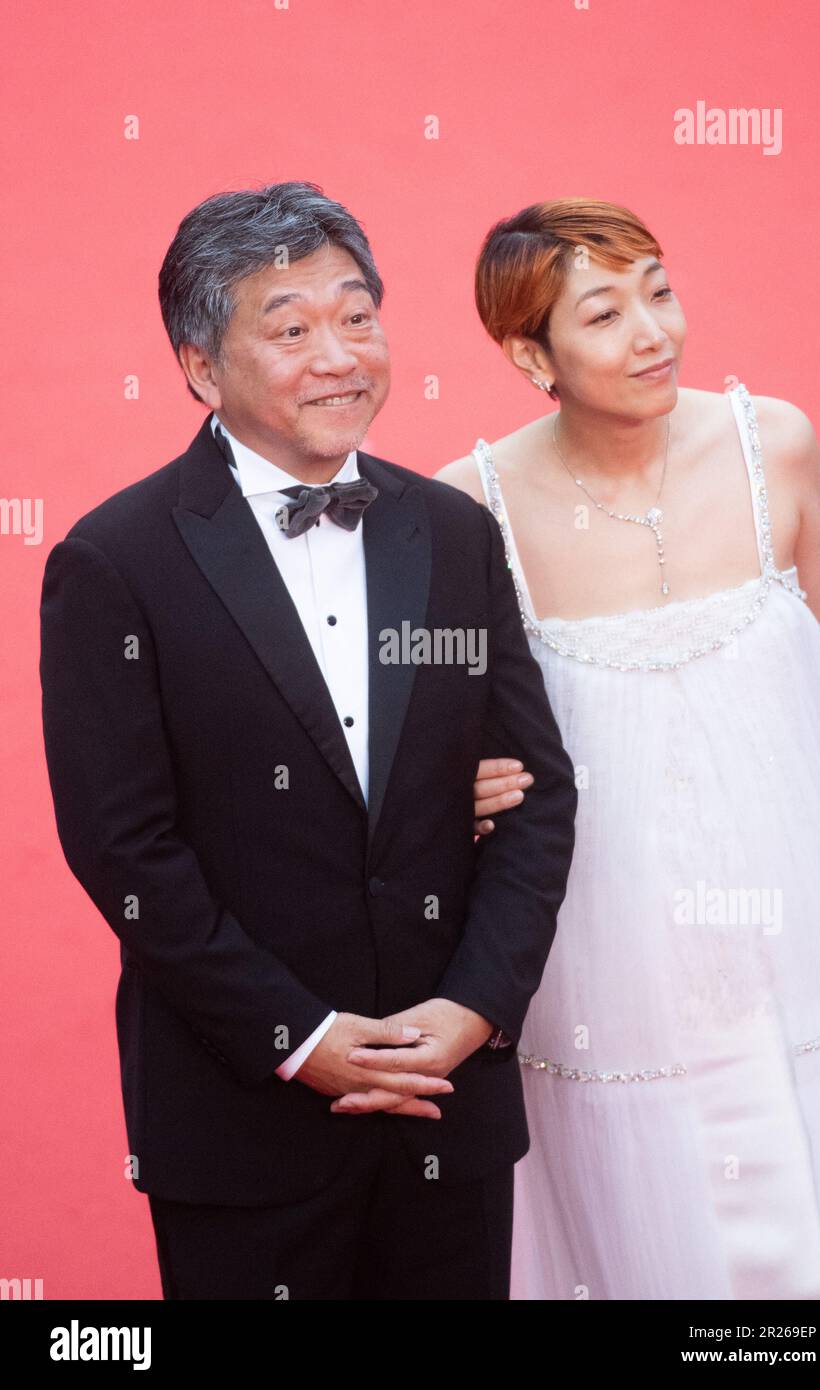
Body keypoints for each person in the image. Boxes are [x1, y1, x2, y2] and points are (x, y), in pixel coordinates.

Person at [38, 181, 577, 1300]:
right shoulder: (115, 561)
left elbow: (535, 799)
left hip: (447, 1105)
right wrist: (298, 1032)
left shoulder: (453, 533)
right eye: (289, 328)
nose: (338, 354)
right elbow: (124, 850)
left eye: (356, 316)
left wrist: (472, 1009)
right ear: (199, 366)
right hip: (242, 1116)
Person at [436, 198, 820, 1300]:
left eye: (659, 292)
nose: (653, 333)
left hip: (798, 915)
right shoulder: (468, 507)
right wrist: (457, 790)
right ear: (530, 352)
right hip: (604, 945)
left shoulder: (772, 442)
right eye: (604, 312)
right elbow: (443, 749)